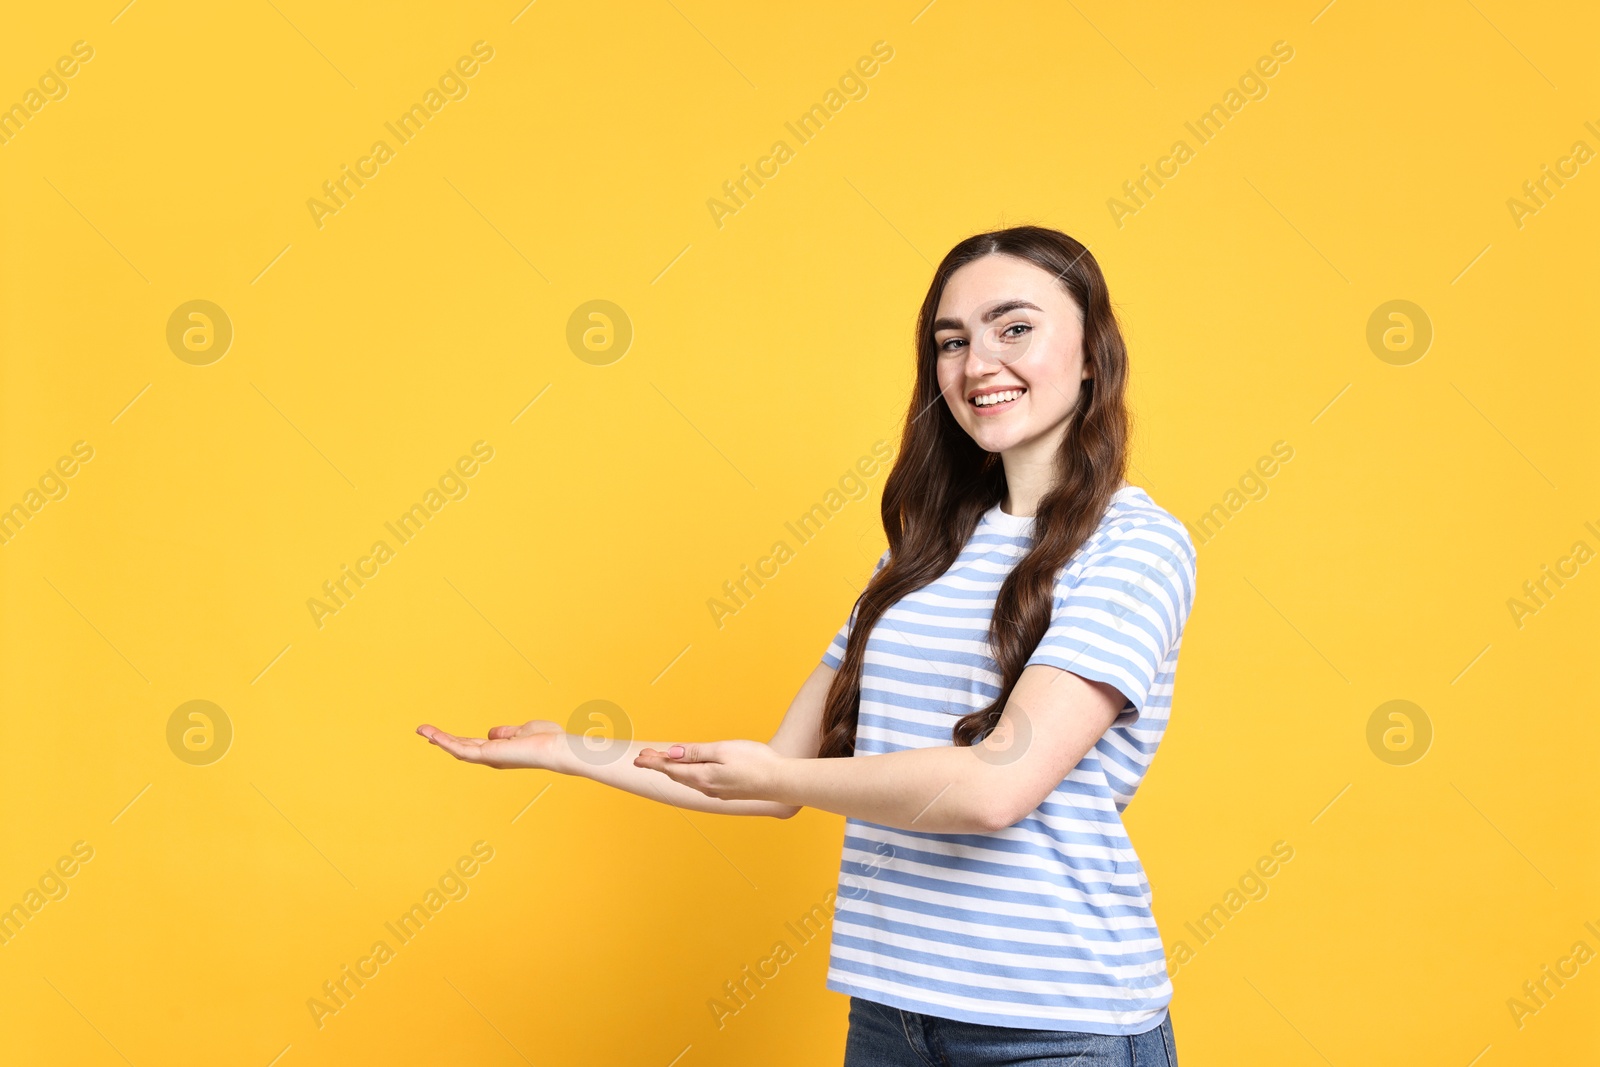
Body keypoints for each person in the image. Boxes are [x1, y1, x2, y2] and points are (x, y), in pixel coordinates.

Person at [417, 225, 1196, 1066]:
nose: (977, 365)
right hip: (893, 1014)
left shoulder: (1134, 547)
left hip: (1055, 1027)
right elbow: (766, 778)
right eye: (951, 340)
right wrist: (568, 750)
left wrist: (781, 776)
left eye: (1015, 328)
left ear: (1091, 353)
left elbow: (995, 787)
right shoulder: (916, 561)